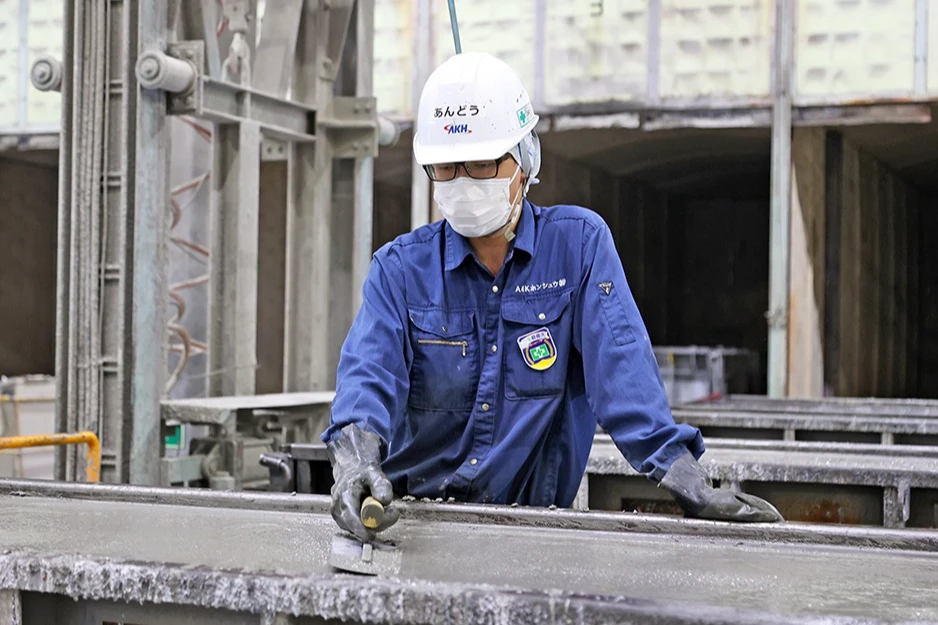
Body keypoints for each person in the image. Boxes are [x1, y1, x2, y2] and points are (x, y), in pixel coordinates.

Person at [322, 51, 783, 542]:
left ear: (525, 159)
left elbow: (622, 371)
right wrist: (354, 463)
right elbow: (368, 377)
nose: (463, 182)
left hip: (532, 533)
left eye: (481, 164)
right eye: (446, 168)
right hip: (414, 527)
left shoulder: (578, 247)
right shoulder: (399, 270)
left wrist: (683, 474)